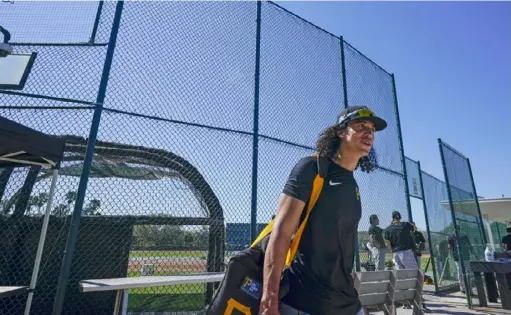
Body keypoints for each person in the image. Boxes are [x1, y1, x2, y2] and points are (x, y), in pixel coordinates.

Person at [258, 106, 387, 315]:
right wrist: (269, 297)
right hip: (306, 302)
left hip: (348, 302)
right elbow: (281, 233)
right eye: (361, 126)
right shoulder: (312, 168)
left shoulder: (353, 184)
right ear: (340, 132)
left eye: (372, 129)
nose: (369, 133)